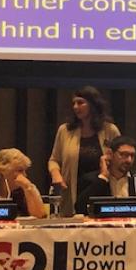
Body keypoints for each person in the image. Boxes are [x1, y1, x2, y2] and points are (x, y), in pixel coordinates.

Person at [48, 86, 120, 216]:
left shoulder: (110, 130)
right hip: (73, 192)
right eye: (74, 103)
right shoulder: (65, 130)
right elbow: (54, 160)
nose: (76, 107)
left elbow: (119, 159)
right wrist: (56, 174)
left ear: (93, 104)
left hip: (103, 192)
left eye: (80, 103)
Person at [74, 136, 136, 215]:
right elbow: (80, 208)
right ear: (110, 154)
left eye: (132, 155)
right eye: (124, 154)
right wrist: (103, 178)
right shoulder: (90, 180)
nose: (129, 160)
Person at [0, 148, 45, 218]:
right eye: (20, 171)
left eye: (25, 171)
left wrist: (28, 189)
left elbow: (40, 216)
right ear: (2, 170)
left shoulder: (29, 188)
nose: (25, 175)